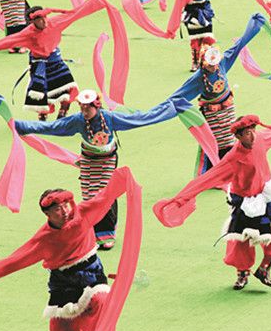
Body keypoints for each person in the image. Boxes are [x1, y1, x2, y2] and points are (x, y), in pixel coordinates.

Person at [0, 167, 140, 331]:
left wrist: (124, 178)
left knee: (103, 301)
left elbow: (106, 196)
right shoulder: (44, 239)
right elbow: (12, 262)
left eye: (67, 204)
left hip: (91, 272)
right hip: (63, 283)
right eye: (58, 209)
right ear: (48, 214)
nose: (65, 211)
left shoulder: (84, 212)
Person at [15, 90, 191, 249]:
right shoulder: (78, 120)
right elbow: (52, 127)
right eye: (82, 107)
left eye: (87, 108)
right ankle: (92, 231)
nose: (84, 111)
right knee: (89, 196)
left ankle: (107, 233)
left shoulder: (109, 118)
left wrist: (171, 109)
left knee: (105, 193)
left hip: (107, 160)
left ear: (96, 106)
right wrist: (20, 126)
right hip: (88, 160)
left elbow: (140, 119)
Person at [154, 114, 271, 290]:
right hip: (245, 201)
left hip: (266, 196)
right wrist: (181, 198)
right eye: (247, 133)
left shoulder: (260, 139)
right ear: (238, 136)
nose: (252, 136)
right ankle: (242, 273)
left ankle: (264, 268)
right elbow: (208, 178)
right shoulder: (233, 158)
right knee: (241, 239)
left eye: (253, 130)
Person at [170, 14, 267, 175]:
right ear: (203, 64)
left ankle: (232, 169)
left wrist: (254, 27)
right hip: (212, 113)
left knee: (231, 138)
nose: (214, 67)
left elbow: (238, 46)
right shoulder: (199, 78)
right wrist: (162, 108)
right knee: (216, 142)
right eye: (211, 65)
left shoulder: (222, 64)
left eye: (215, 64)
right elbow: (180, 94)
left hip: (228, 109)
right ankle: (215, 174)